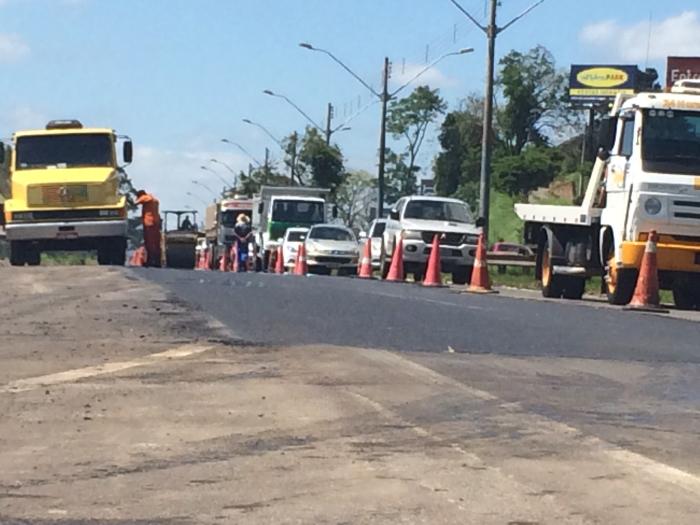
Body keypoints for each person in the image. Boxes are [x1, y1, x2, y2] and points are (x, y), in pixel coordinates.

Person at [135, 190, 162, 267]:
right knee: (156, 243)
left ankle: (151, 261)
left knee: (149, 243)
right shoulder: (154, 200)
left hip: (149, 223)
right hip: (156, 223)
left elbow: (136, 202)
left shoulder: (146, 198)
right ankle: (157, 261)